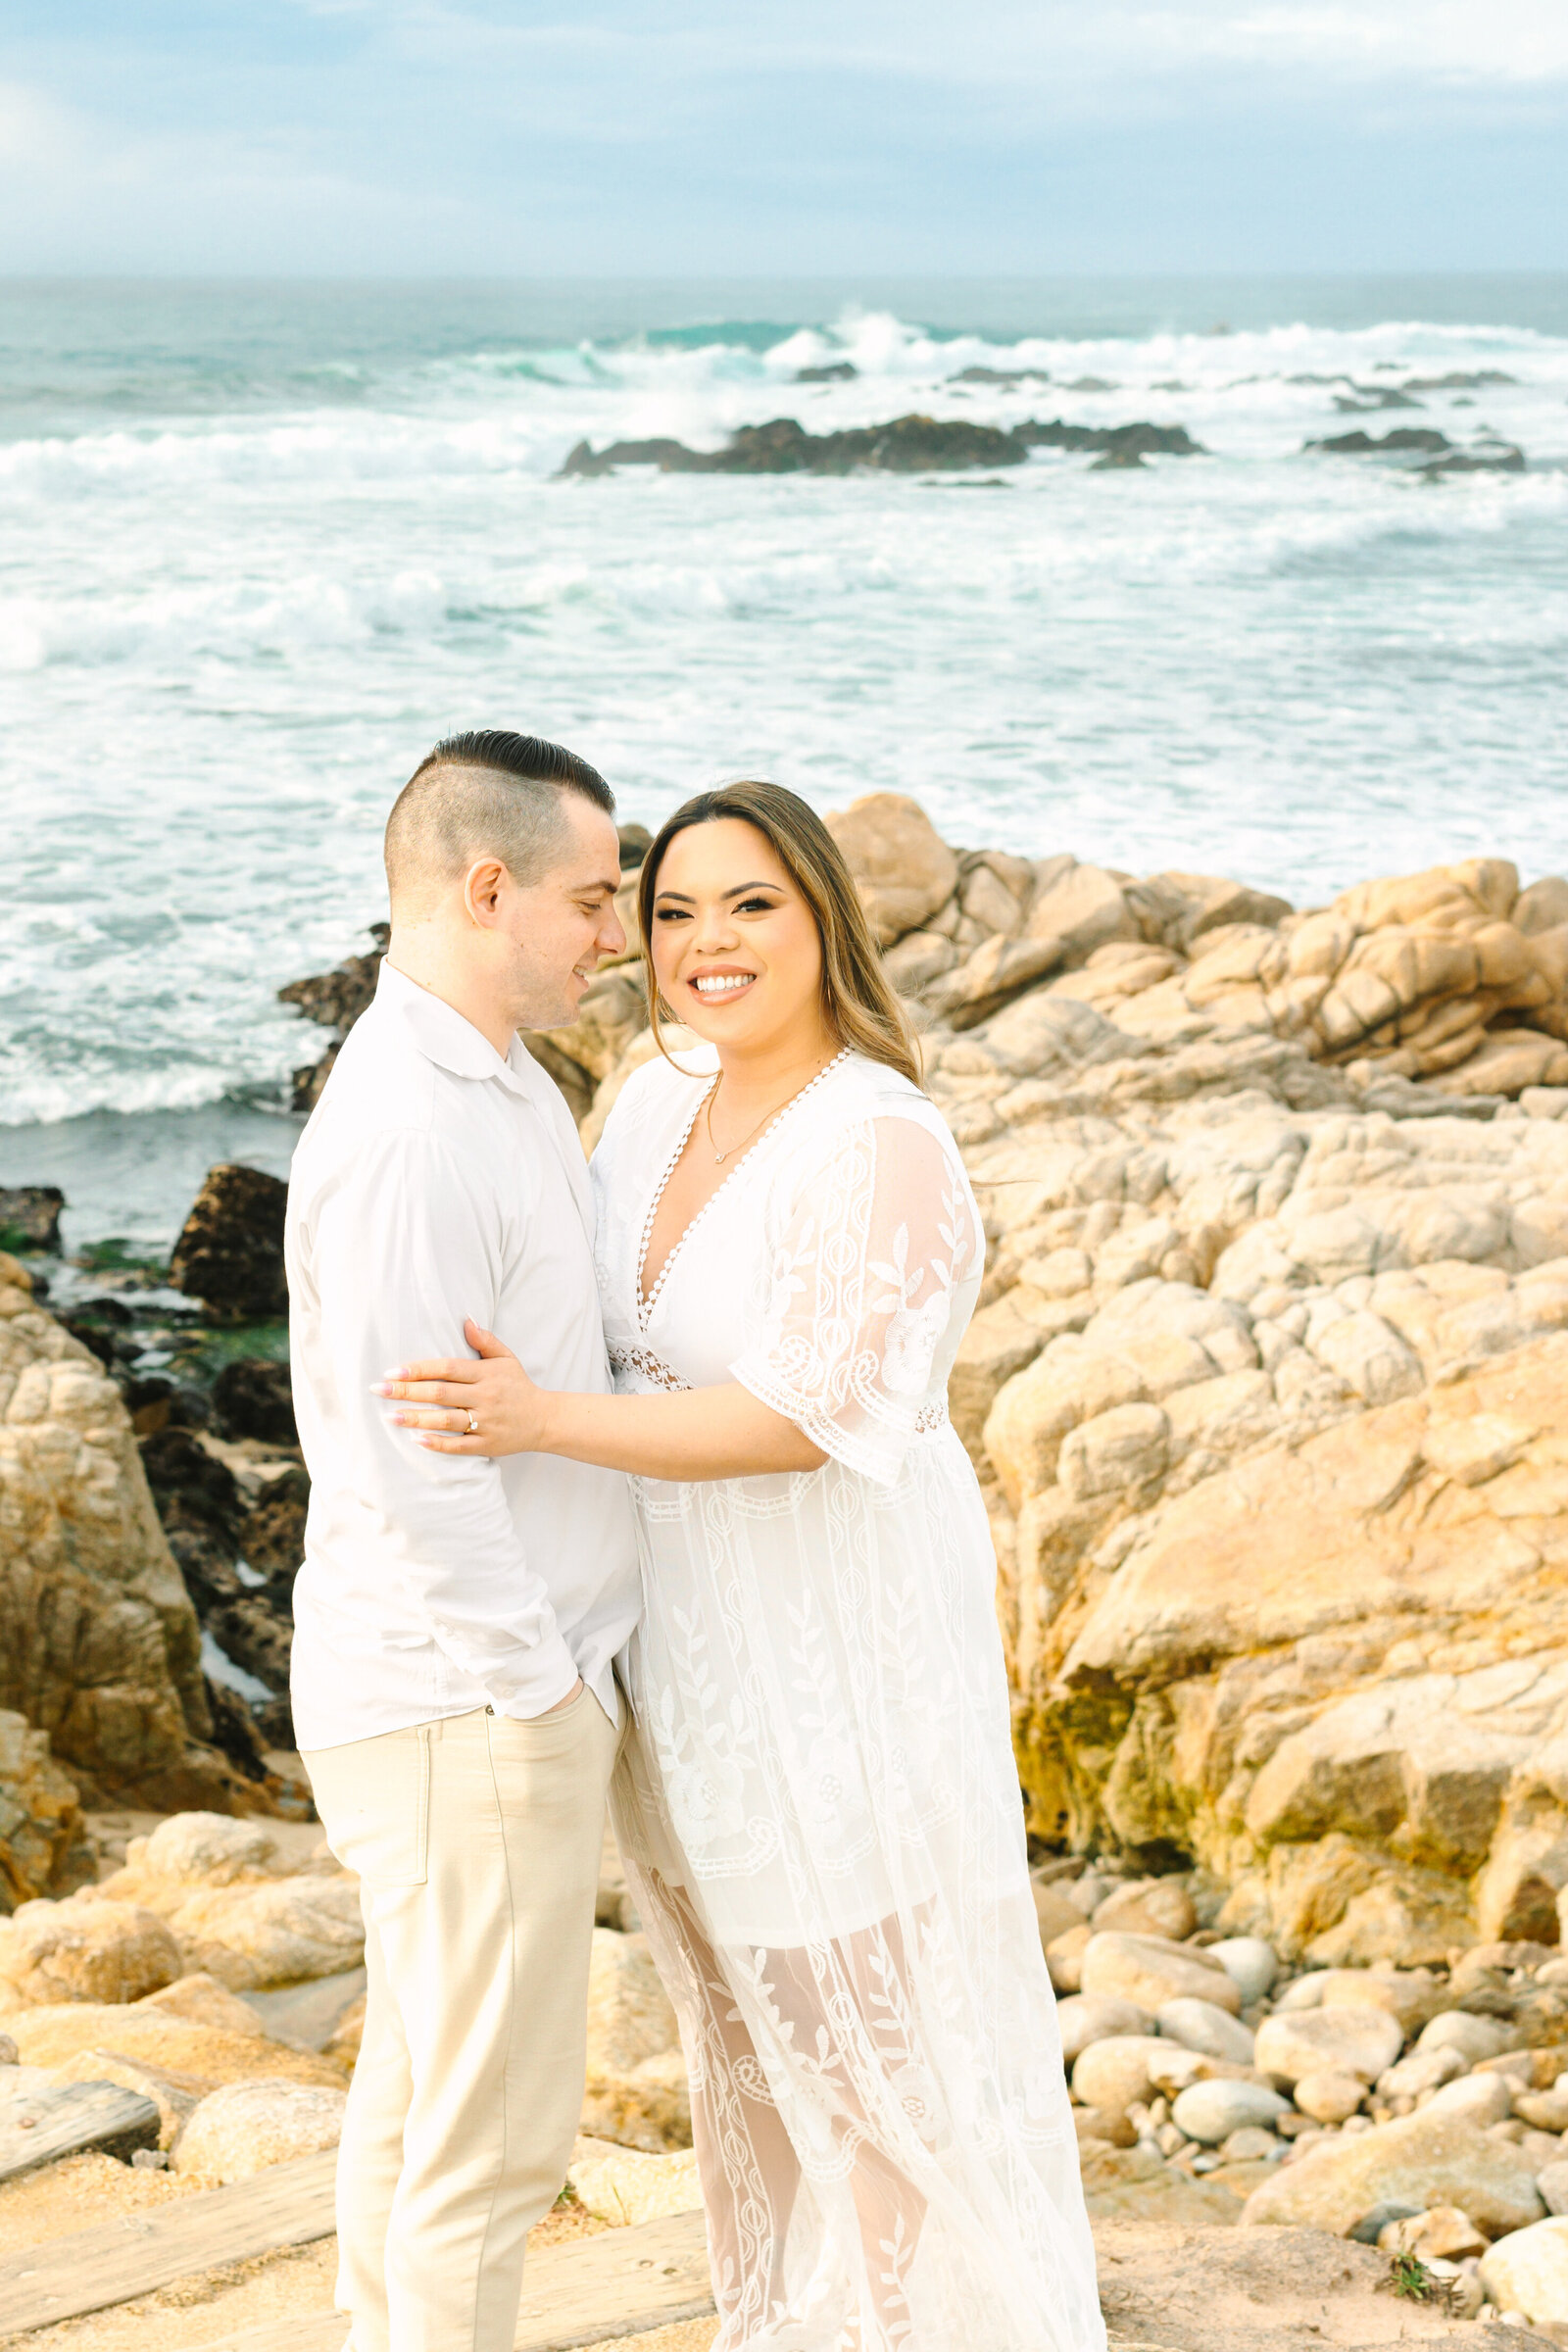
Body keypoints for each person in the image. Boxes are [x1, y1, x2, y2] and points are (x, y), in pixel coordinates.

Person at [382, 779, 1104, 2352]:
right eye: (674, 910)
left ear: (824, 918)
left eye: (752, 904)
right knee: (741, 2028)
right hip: (687, 1644)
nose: (709, 943)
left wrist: (537, 1419)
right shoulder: (650, 1099)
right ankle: (778, 2321)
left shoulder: (882, 1142)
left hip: (831, 1639)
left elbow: (802, 1416)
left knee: (872, 2048)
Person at [286, 729, 640, 2352]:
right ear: (486, 887)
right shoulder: (412, 1126)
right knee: (490, 2157)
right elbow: (403, 1453)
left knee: (422, 2104)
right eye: (593, 895)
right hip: (465, 1704)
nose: (620, 930)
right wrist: (536, 1691)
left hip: (468, 1698)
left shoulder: (493, 1079)